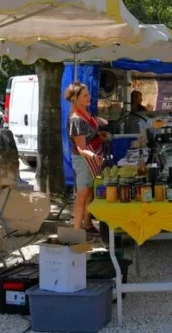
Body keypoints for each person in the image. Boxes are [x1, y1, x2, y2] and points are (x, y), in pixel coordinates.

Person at [65, 82, 108, 232]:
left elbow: (91, 131)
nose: (89, 97)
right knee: (82, 195)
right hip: (84, 160)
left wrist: (99, 134)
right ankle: (76, 231)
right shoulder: (76, 119)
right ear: (75, 99)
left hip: (92, 157)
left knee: (90, 191)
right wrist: (94, 156)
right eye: (85, 95)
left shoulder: (86, 112)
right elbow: (81, 148)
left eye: (88, 94)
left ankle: (88, 224)